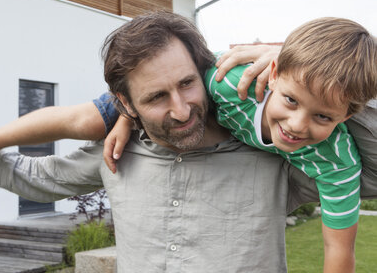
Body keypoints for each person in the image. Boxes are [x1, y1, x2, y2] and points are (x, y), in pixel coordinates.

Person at [0, 12, 375, 272]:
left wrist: (289, 56)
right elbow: (35, 178)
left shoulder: (277, 149)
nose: (180, 109)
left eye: (187, 85)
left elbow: (367, 161)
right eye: (155, 97)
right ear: (124, 104)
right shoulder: (116, 151)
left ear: (203, 73)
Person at [104, 17, 377, 272]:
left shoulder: (338, 163)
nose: (296, 125)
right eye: (291, 100)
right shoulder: (229, 83)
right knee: (90, 118)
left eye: (322, 116)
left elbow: (339, 248)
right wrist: (127, 119)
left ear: (348, 116)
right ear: (273, 73)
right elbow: (165, 82)